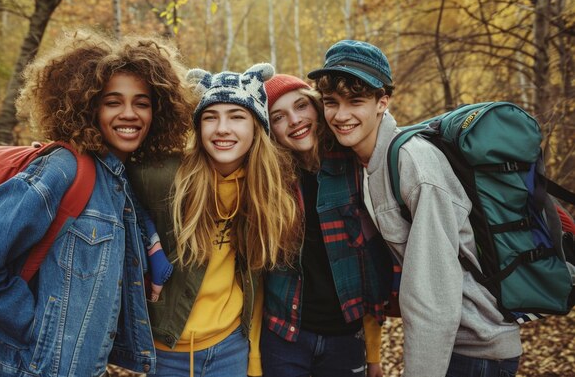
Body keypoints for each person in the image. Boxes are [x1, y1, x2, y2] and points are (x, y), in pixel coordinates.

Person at [0, 30, 194, 377]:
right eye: (113, 102)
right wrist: (32, 330)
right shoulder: (62, 169)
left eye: (141, 102)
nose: (130, 114)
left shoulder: (117, 181)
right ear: (88, 107)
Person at [307, 40, 522, 377]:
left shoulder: (413, 165)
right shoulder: (365, 161)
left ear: (383, 102)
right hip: (455, 345)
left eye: (356, 102)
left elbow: (431, 293)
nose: (340, 115)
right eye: (331, 103)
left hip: (474, 351)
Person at [130, 63, 302, 377]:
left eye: (237, 116)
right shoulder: (166, 177)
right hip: (168, 351)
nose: (222, 128)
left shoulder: (264, 190)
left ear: (256, 127)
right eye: (211, 117)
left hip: (230, 348)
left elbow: (255, 278)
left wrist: (253, 360)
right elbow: (110, 170)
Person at [260, 74, 392, 377]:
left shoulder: (354, 168)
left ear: (317, 108)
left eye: (301, 106)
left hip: (346, 337)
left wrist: (373, 354)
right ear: (270, 130)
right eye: (278, 116)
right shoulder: (268, 183)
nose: (294, 120)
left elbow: (370, 265)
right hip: (284, 336)